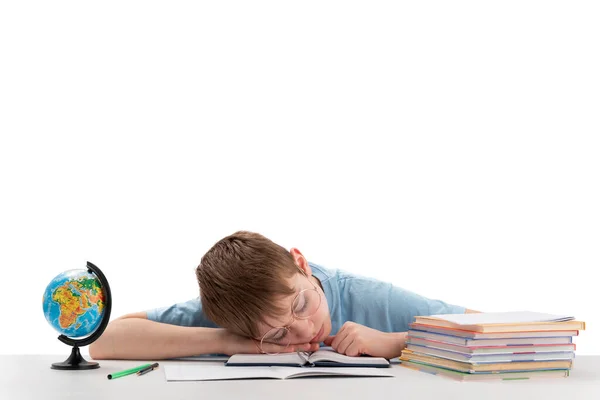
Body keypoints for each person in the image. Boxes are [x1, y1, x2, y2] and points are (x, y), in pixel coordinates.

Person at [89, 231, 478, 360]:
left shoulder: (368, 297)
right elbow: (102, 341)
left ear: (302, 264)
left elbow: (500, 329)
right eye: (275, 336)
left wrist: (399, 342)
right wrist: (226, 339)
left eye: (302, 304)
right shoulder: (234, 311)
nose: (304, 330)